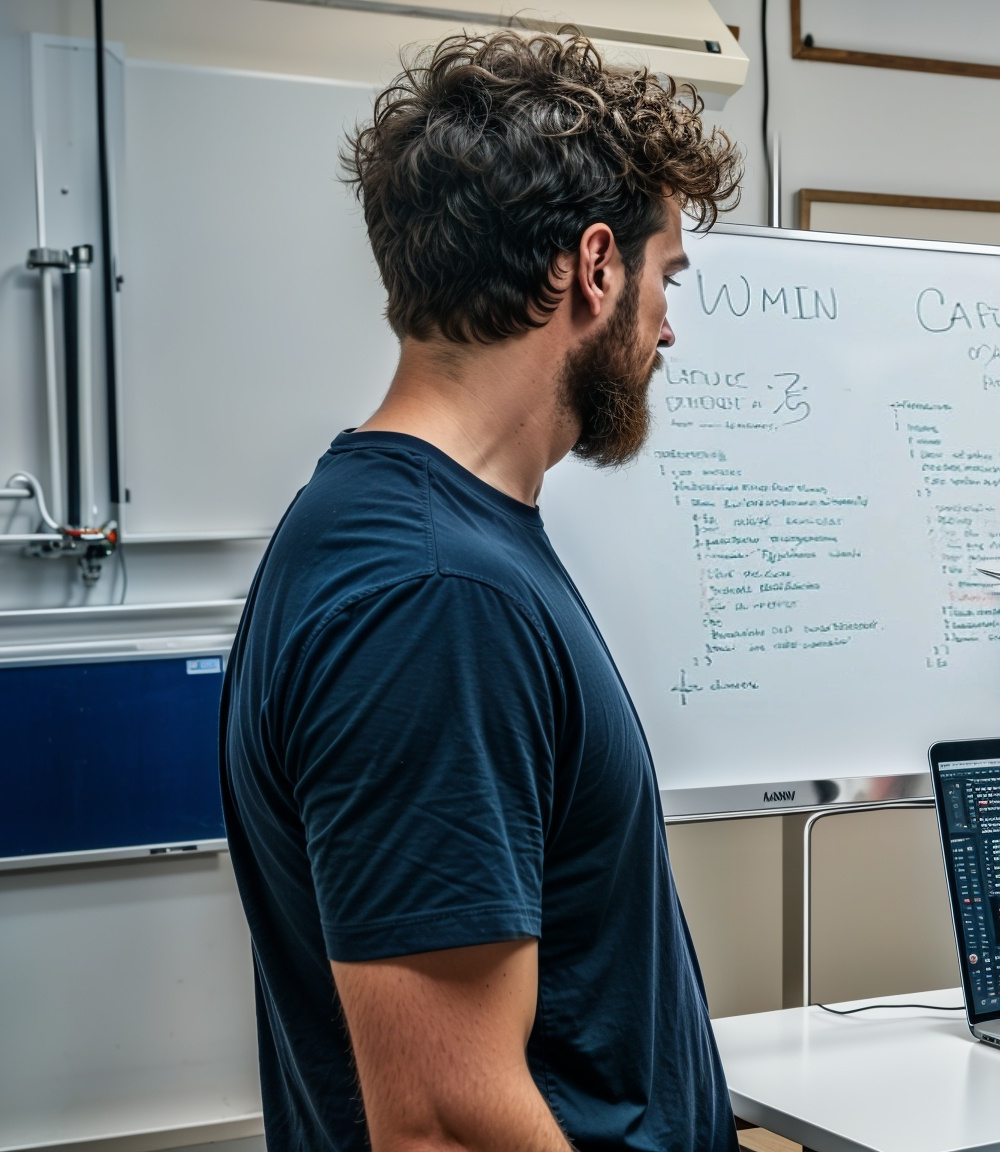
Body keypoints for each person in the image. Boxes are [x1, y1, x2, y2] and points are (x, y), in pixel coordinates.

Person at [219, 32, 741, 1152]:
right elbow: (447, 1126)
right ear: (595, 267)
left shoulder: (415, 536)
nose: (667, 328)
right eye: (666, 280)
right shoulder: (433, 595)